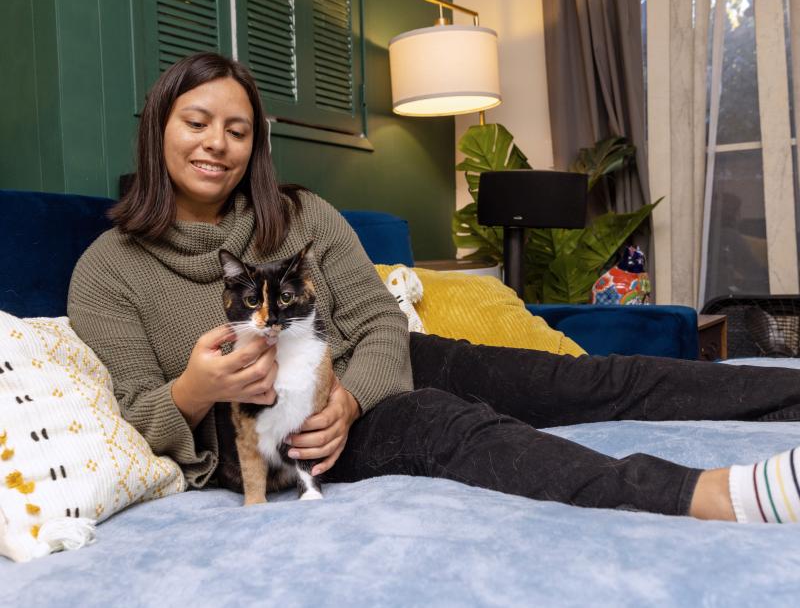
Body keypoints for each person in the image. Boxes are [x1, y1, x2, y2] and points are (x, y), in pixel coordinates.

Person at [68, 52, 800, 526]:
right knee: (442, 425)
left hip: (374, 373)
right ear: (159, 130)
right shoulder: (109, 268)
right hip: (281, 437)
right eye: (197, 123)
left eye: (237, 130)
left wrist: (353, 395)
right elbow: (136, 414)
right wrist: (198, 386)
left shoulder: (299, 215)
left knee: (585, 380)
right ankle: (710, 496)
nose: (216, 145)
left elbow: (379, 324)